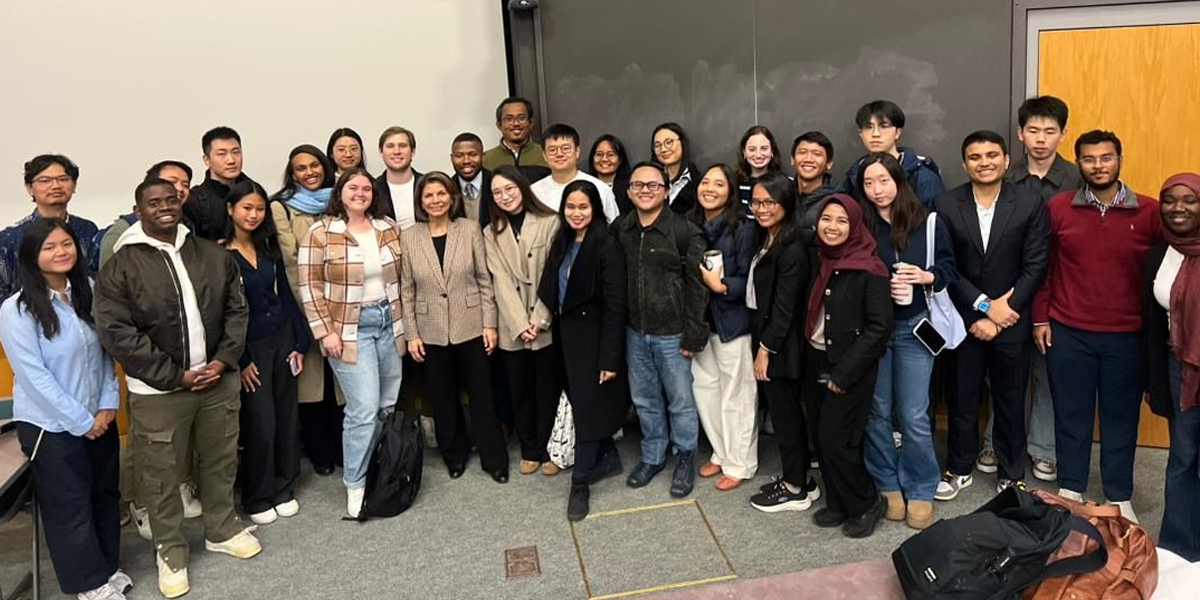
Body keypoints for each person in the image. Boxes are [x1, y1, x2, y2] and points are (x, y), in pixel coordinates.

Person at [95, 178, 258, 599]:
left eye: (172, 199)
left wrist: (223, 361)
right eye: (154, 202)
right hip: (158, 391)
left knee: (221, 458)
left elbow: (236, 311)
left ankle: (222, 528)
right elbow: (117, 331)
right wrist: (175, 375)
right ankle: (170, 550)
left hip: (218, 380)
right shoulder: (122, 263)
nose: (165, 207)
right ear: (139, 207)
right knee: (161, 474)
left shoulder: (210, 253)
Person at [1032, 130, 1160, 522]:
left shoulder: (1150, 212)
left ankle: (1119, 496)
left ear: (1120, 160)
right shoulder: (1058, 207)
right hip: (1069, 330)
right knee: (1072, 413)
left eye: (1106, 158)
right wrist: (1040, 316)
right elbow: (1043, 267)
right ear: (1079, 163)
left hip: (1127, 334)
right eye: (1089, 159)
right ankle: (1071, 489)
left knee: (1121, 416)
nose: (1098, 166)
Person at [0, 218, 129, 600]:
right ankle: (87, 584)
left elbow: (106, 352)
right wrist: (80, 420)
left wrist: (108, 404)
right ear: (32, 256)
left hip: (99, 417)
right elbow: (33, 377)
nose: (61, 252)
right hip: (50, 425)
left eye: (66, 244)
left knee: (105, 495)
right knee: (69, 505)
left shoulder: (88, 290)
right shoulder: (17, 309)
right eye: (50, 247)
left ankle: (108, 567)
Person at [934, 131, 1049, 504]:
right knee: (963, 398)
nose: (984, 162)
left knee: (1011, 399)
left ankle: (1012, 474)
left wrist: (1002, 315)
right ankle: (960, 467)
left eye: (991, 155)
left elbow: (1035, 266)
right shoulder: (946, 203)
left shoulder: (1029, 203)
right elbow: (945, 267)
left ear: (1004, 158)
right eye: (975, 156)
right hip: (964, 320)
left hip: (1011, 320)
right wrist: (983, 307)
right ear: (964, 163)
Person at [979, 95, 1083, 481]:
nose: (1041, 139)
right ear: (1020, 134)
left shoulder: (1077, 179)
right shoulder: (1002, 174)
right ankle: (994, 441)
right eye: (1033, 130)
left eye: (1050, 131)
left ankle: (1044, 449)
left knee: (1047, 373)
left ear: (1062, 134)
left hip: (1058, 291)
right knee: (1002, 375)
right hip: (1006, 293)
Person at [100, 161, 203, 542]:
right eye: (166, 188)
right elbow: (116, 310)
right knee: (148, 443)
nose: (174, 195)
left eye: (180, 189)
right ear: (141, 201)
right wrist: (163, 369)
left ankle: (181, 487)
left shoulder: (186, 238)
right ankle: (140, 504)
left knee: (182, 438)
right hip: (150, 367)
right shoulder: (122, 240)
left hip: (191, 362)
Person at [853, 153, 954, 529]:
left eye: (883, 180)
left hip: (915, 327)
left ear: (899, 180)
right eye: (868, 183)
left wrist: (923, 277)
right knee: (877, 412)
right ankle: (886, 482)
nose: (877, 190)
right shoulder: (859, 225)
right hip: (872, 331)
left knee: (913, 414)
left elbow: (948, 271)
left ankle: (922, 485)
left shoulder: (928, 224)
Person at [297, 168, 406, 517]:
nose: (360, 192)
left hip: (390, 323)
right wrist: (325, 332)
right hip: (348, 330)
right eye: (352, 187)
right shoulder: (321, 233)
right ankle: (356, 484)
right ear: (340, 192)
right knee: (362, 409)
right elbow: (309, 287)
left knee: (387, 404)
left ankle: (381, 470)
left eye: (366, 188)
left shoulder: (387, 227)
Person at [400, 172, 509, 483]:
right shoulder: (409, 237)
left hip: (472, 325)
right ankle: (454, 456)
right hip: (430, 329)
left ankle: (494, 459)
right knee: (442, 397)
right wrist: (412, 334)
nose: (435, 200)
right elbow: (406, 290)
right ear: (420, 202)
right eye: (428, 196)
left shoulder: (469, 229)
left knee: (482, 394)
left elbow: (484, 280)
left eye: (441, 194)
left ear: (452, 197)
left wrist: (490, 324)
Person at [612, 161, 708, 498]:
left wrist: (694, 333)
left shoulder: (685, 231)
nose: (645, 191)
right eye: (638, 185)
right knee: (645, 400)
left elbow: (698, 287)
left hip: (673, 334)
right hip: (634, 332)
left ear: (666, 191)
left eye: (653, 185)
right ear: (628, 191)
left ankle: (684, 457)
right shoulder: (620, 229)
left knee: (680, 402)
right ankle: (653, 456)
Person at [539, 180, 628, 521]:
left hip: (594, 338)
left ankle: (580, 485)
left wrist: (610, 357)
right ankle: (608, 457)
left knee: (588, 410)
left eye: (583, 207)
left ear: (596, 209)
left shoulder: (607, 244)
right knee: (579, 400)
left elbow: (616, 305)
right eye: (570, 207)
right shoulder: (562, 240)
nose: (576, 214)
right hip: (566, 336)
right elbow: (552, 288)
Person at [805, 195, 893, 539]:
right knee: (821, 437)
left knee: (837, 440)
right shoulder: (819, 259)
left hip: (849, 367)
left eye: (842, 221)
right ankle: (839, 502)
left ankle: (867, 502)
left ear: (855, 226)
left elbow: (878, 328)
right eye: (827, 219)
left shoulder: (871, 268)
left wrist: (844, 373)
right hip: (815, 359)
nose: (832, 226)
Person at [224, 181, 308, 525]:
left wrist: (300, 344)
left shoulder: (269, 247)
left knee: (287, 417)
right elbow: (222, 313)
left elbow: (287, 297)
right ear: (231, 209)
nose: (254, 215)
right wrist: (241, 361)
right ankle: (258, 495)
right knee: (261, 422)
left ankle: (284, 486)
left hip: (282, 339)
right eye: (247, 208)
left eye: (259, 208)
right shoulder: (220, 254)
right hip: (249, 347)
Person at [740, 171, 819, 509]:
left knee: (785, 415)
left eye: (769, 202)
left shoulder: (793, 246)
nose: (761, 208)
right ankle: (801, 477)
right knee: (785, 413)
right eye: (756, 202)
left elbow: (785, 308)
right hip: (768, 334)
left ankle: (794, 489)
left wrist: (765, 351)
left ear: (786, 202)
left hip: (781, 343)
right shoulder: (767, 236)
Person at [483, 165, 561, 475]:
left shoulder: (550, 221)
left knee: (547, 388)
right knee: (519, 389)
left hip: (545, 319)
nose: (505, 196)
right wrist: (520, 323)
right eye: (497, 192)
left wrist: (539, 319)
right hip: (511, 324)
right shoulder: (491, 231)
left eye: (510, 189)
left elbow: (554, 272)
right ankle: (529, 447)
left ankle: (548, 449)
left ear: (523, 188)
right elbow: (499, 279)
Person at [270, 145, 341, 475]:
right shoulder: (281, 207)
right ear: (292, 173)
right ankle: (319, 451)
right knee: (313, 385)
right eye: (301, 168)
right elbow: (290, 259)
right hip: (303, 303)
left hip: (343, 302)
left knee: (343, 381)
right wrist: (311, 310)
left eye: (315, 165)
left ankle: (343, 447)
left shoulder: (341, 197)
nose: (309, 172)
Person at [689, 164, 758, 491]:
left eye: (719, 184)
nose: (710, 188)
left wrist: (721, 286)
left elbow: (751, 279)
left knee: (738, 395)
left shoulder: (743, 228)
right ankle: (720, 451)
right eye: (705, 181)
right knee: (706, 390)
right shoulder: (690, 225)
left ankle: (740, 462)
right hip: (701, 324)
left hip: (732, 322)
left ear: (731, 192)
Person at [1144, 173, 1200, 561]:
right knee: (1182, 458)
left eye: (1189, 200)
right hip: (1180, 366)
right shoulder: (1160, 252)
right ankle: (1179, 547)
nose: (1178, 208)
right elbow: (1151, 322)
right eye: (1170, 200)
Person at [0, 154, 99, 301]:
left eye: (63, 179)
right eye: (45, 181)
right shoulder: (10, 238)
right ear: (30, 189)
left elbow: (94, 278)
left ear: (74, 186)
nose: (56, 186)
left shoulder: (87, 229)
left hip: (82, 313)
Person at [841, 101, 944, 209]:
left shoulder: (922, 177)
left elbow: (933, 222)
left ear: (897, 132)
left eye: (884, 126)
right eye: (868, 127)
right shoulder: (854, 176)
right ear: (861, 134)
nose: (875, 134)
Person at [97, 161, 193, 270]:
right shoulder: (122, 231)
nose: (180, 189)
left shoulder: (187, 228)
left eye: (186, 185)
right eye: (172, 181)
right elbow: (108, 283)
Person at [530, 124, 620, 222]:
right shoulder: (533, 192)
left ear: (577, 151)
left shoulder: (600, 188)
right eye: (552, 150)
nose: (559, 154)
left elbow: (613, 226)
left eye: (566, 149)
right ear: (544, 155)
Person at [185, 126, 254, 241]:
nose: (231, 160)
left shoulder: (254, 192)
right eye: (222, 154)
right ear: (207, 160)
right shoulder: (195, 200)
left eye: (236, 152)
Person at [482, 96, 550, 179]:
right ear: (499, 125)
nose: (516, 123)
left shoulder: (546, 154)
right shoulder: (487, 159)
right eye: (509, 119)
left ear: (531, 123)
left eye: (521, 118)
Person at [793, 132, 838, 251]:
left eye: (817, 154)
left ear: (829, 164)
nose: (808, 159)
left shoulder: (837, 201)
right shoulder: (782, 196)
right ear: (792, 159)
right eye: (802, 152)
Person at [373, 126, 423, 228]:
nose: (396, 151)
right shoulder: (372, 189)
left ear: (412, 151)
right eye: (390, 146)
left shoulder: (427, 184)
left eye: (403, 145)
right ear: (381, 152)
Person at [651, 122, 700, 215]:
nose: (663, 149)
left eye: (668, 142)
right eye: (657, 145)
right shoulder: (648, 180)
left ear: (682, 143)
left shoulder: (698, 183)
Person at [735, 125, 782, 218]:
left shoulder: (787, 184)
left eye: (764, 148)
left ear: (772, 151)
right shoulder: (735, 185)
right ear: (744, 152)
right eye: (752, 149)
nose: (758, 155)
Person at [450, 132, 493, 226]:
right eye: (459, 155)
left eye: (473, 154)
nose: (466, 161)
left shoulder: (495, 183)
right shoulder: (448, 188)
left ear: (483, 157)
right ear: (452, 158)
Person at [588, 134, 634, 216]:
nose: (604, 159)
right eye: (599, 154)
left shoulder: (631, 186)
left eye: (611, 154)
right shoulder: (585, 184)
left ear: (620, 160)